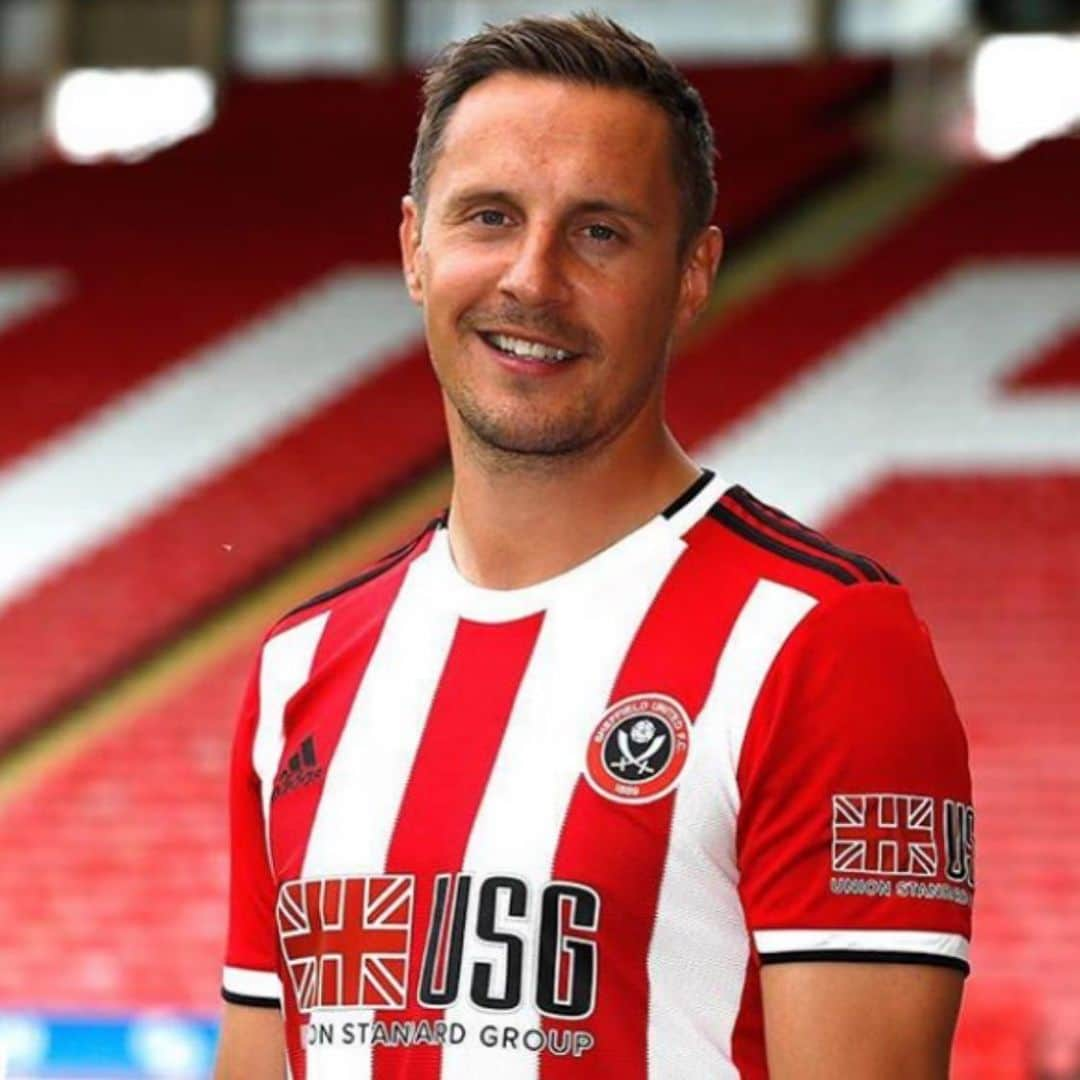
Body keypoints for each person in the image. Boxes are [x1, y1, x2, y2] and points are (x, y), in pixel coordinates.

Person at [214, 14, 974, 1079]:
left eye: (600, 232)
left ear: (693, 272)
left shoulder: (825, 644)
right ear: (413, 251)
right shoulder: (299, 668)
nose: (533, 277)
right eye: (488, 216)